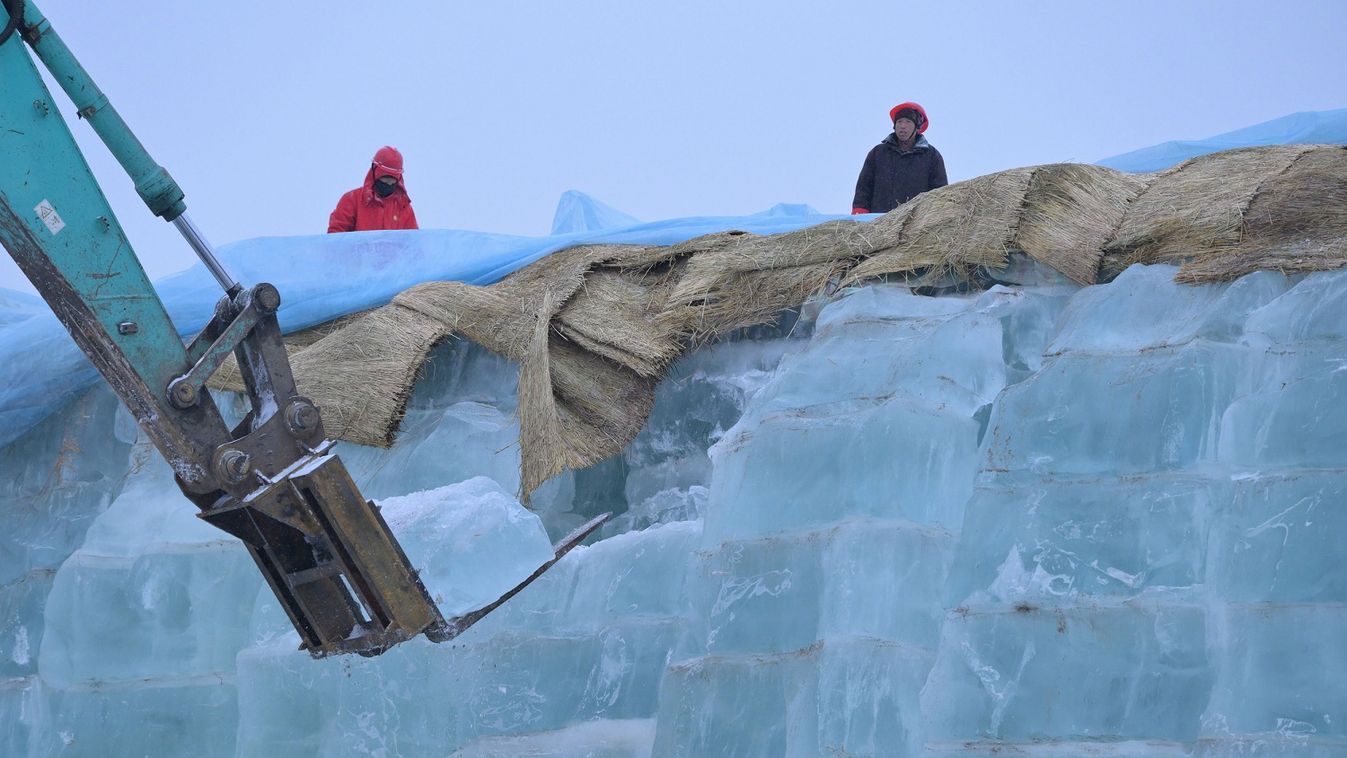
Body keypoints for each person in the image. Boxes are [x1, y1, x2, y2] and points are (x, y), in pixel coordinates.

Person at [852, 102, 947, 215]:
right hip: (878, 221)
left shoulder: (931, 156)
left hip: (916, 223)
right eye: (899, 121)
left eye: (908, 121)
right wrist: (860, 211)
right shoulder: (878, 153)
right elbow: (864, 186)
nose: (902, 126)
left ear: (917, 127)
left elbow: (940, 192)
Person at [327, 146, 419, 232]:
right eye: (385, 178)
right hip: (357, 250)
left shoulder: (403, 207)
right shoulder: (352, 200)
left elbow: (413, 243)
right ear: (374, 172)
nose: (388, 184)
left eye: (392, 181)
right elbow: (336, 238)